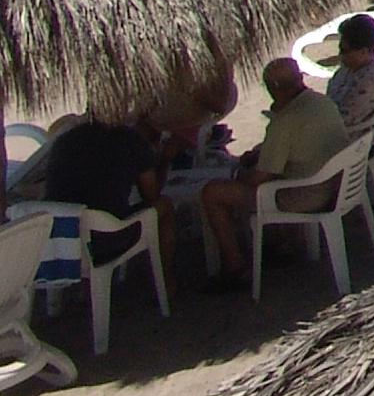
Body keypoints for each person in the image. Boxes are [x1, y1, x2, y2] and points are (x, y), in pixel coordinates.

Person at [195, 60, 349, 286]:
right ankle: (280, 244)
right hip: (333, 184)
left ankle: (235, 267)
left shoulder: (285, 121)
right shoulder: (322, 103)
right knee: (266, 177)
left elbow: (260, 178)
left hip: (304, 196)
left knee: (213, 193)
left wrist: (238, 174)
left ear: (273, 88)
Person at [36, 112, 165, 270]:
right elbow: (152, 194)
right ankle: (168, 282)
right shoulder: (129, 139)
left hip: (58, 241)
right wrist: (162, 160)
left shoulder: (63, 141)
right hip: (105, 240)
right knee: (163, 205)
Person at [325, 15, 374, 152]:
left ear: (363, 51)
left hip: (348, 145)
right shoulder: (353, 68)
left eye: (345, 50)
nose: (340, 55)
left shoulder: (369, 82)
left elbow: (340, 121)